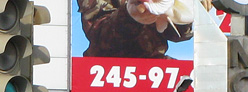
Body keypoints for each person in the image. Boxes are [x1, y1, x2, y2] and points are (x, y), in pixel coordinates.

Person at [78, 0, 210, 59]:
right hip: (103, 68)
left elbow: (177, 35)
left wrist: (192, 12)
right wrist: (131, 15)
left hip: (155, 67)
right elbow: (99, 35)